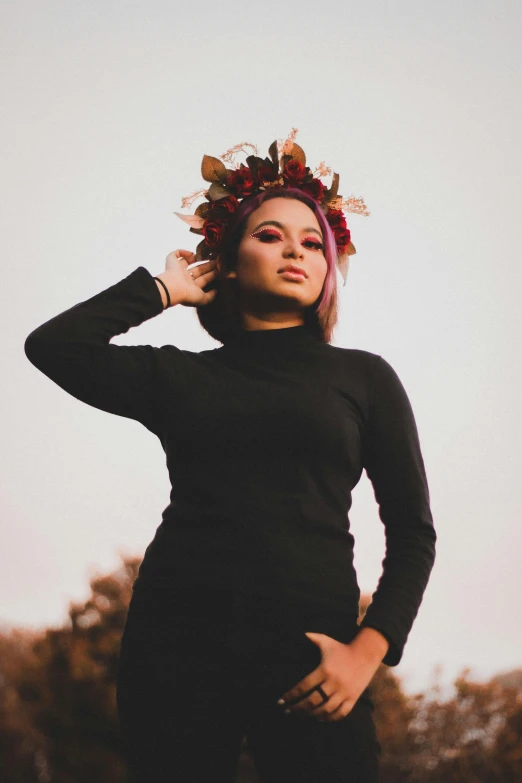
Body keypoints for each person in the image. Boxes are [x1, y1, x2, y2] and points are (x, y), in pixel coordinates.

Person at [24, 134, 436, 783]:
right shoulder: (180, 377)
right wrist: (162, 288)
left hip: (315, 656)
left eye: (311, 241)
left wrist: (367, 651)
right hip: (176, 648)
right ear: (230, 262)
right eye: (271, 235)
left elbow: (413, 533)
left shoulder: (364, 379)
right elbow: (54, 347)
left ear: (329, 268)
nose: (296, 249)